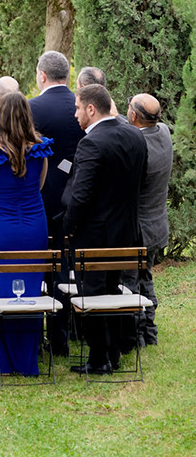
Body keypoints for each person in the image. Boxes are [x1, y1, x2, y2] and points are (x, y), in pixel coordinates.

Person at [63, 83, 148, 375]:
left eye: (77, 108)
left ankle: (100, 359)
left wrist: (69, 227)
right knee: (113, 291)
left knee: (93, 296)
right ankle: (114, 352)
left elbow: (81, 195)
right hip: (126, 233)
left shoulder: (91, 143)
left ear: (90, 108)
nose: (75, 114)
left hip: (94, 236)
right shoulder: (135, 135)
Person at [0, 92, 51, 375]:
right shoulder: (39, 148)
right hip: (33, 225)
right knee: (29, 291)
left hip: (0, 226)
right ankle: (27, 361)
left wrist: (1, 195)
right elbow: (39, 186)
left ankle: (2, 362)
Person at [29, 50, 81, 354]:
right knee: (62, 270)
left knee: (35, 267)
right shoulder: (81, 106)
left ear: (42, 75)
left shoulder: (32, 108)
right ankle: (61, 338)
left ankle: (33, 333)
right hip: (73, 199)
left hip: (38, 199)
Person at [127, 93, 172, 346]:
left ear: (133, 115)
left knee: (132, 282)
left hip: (140, 228)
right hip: (157, 225)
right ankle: (150, 331)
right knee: (146, 277)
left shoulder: (137, 147)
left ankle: (138, 335)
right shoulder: (163, 132)